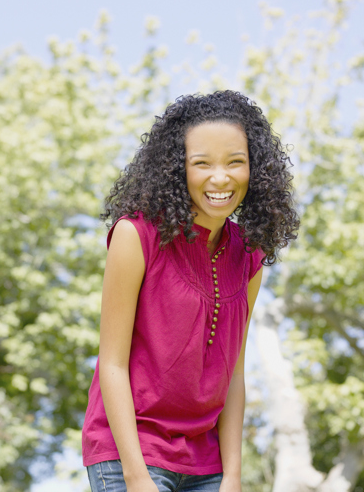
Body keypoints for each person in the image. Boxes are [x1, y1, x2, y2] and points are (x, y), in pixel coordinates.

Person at [82, 90, 300, 492]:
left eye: (236, 162)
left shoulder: (250, 254)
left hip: (207, 461)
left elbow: (233, 371)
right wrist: (135, 476)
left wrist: (232, 475)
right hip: (132, 452)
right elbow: (111, 363)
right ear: (176, 169)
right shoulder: (137, 235)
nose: (221, 178)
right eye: (202, 163)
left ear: (256, 169)